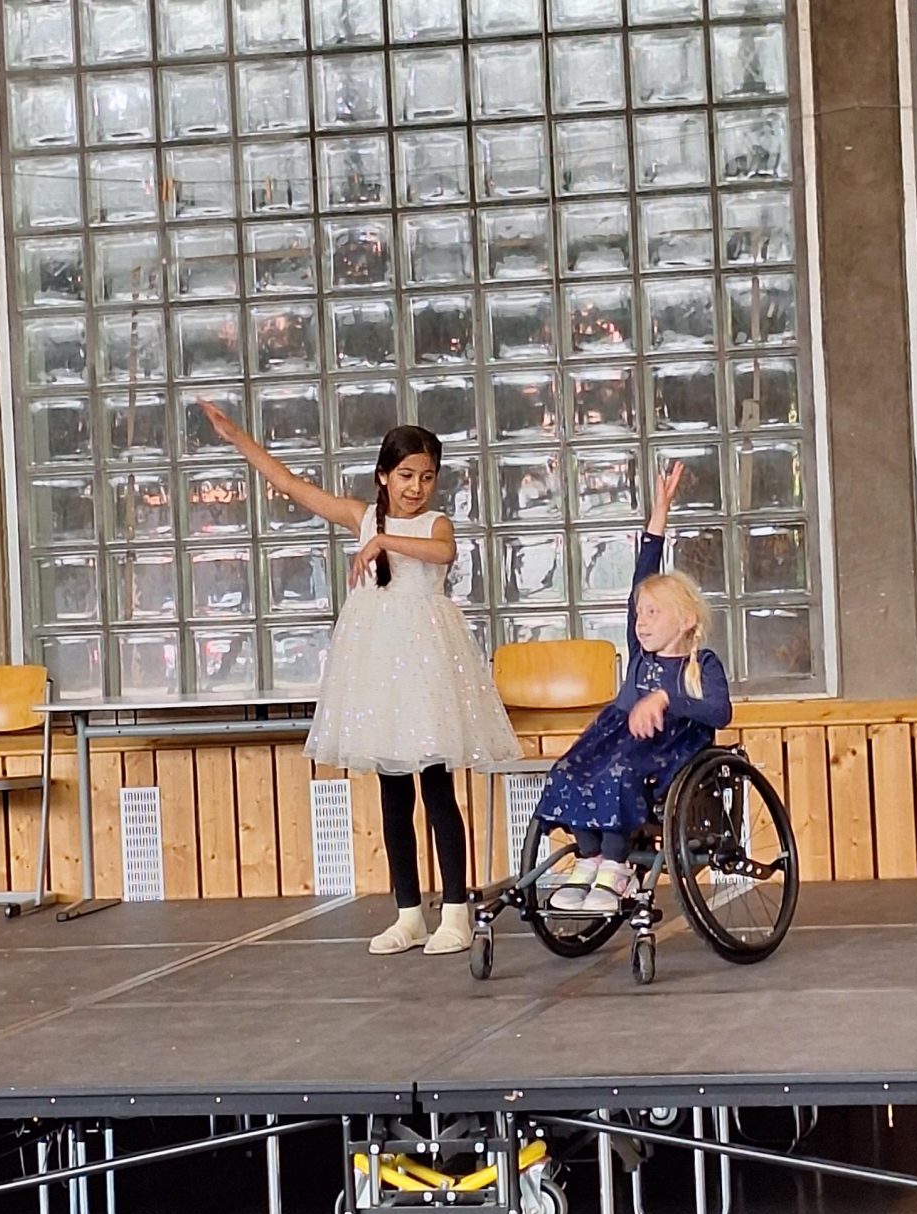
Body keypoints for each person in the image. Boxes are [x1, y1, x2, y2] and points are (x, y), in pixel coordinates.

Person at [199, 404, 519, 955]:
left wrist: (386, 542)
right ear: (383, 475)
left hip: (425, 665)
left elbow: (442, 551)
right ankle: (408, 913)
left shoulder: (434, 523)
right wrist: (235, 437)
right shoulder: (361, 515)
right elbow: (289, 484)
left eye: (426, 477)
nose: (415, 487)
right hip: (378, 666)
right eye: (405, 475)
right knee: (393, 791)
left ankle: (456, 912)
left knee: (437, 786)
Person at [535, 464, 732, 914]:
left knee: (617, 773)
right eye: (639, 614)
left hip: (666, 750)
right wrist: (658, 517)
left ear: (686, 620)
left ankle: (616, 866)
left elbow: (720, 712)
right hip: (617, 735)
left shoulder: (701, 664)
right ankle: (590, 858)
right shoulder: (640, 653)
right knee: (568, 769)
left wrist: (666, 698)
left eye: (653, 614)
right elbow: (642, 576)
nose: (641, 622)